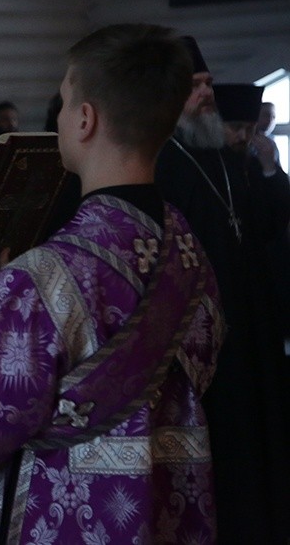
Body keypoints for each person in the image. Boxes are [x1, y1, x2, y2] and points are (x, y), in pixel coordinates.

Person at [0, 24, 223, 543]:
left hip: (69, 509)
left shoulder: (48, 274)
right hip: (169, 499)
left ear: (85, 119)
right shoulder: (187, 248)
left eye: (65, 99)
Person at [156, 37, 290, 544]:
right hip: (204, 331)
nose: (207, 92)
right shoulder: (162, 161)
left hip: (253, 320)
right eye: (195, 85)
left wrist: (271, 172)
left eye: (208, 82)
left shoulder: (225, 158)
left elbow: (264, 224)